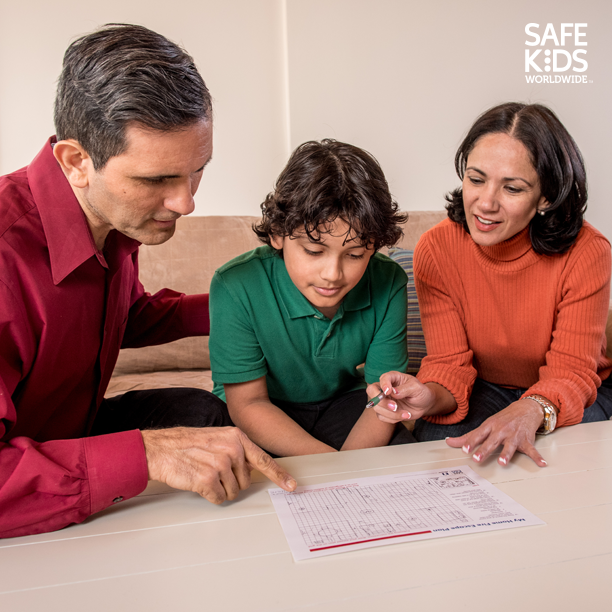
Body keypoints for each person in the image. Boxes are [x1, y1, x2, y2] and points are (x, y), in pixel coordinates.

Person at [0, 24, 296, 539]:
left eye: (196, 171)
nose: (186, 203)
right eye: (156, 179)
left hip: (71, 428)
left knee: (203, 413)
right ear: (76, 162)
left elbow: (121, 318)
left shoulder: (111, 222)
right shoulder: (7, 254)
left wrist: (244, 301)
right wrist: (148, 453)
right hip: (19, 461)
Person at [368, 102, 612, 467]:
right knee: (443, 453)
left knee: (546, 458)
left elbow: (573, 372)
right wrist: (428, 396)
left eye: (512, 188)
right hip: (485, 388)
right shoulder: (437, 248)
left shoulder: (588, 252)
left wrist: (530, 409)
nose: (485, 204)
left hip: (573, 391)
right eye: (476, 179)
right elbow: (449, 364)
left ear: (545, 196)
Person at [209, 139, 415, 456]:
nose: (332, 274)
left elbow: (383, 398)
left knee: (403, 454)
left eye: (356, 254)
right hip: (260, 411)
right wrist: (332, 470)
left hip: (341, 402)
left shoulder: (389, 281)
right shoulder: (235, 284)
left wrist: (349, 470)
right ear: (278, 234)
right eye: (314, 251)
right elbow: (249, 403)